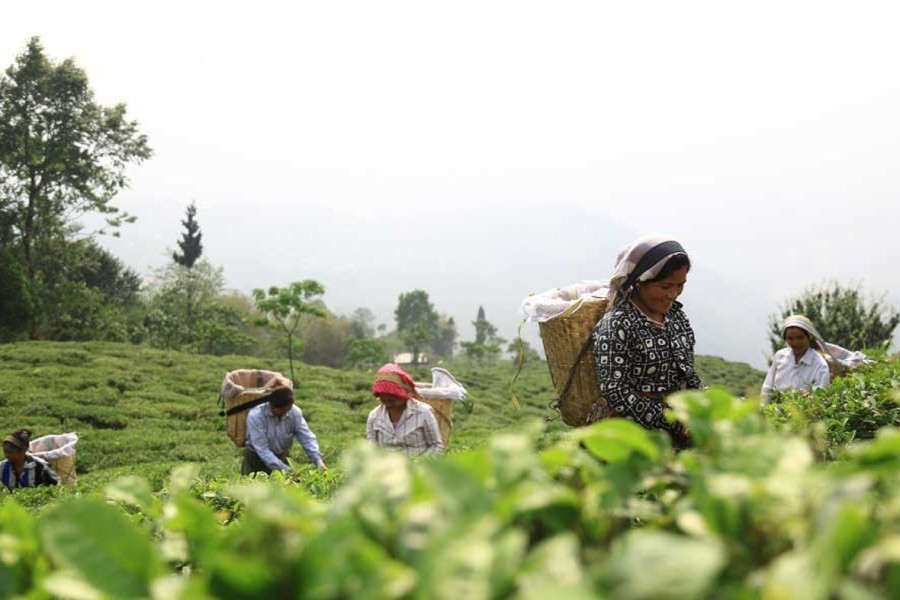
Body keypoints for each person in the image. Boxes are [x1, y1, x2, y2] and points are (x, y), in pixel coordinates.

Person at [589, 235, 703, 448]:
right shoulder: (617, 324)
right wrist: (669, 420)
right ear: (639, 280)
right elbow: (616, 391)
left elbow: (687, 373)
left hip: (679, 425)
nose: (673, 294)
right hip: (632, 433)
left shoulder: (677, 317)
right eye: (665, 286)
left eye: (680, 285)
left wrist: (704, 406)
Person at [242, 387, 327, 475]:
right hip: (256, 459)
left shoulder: (294, 412)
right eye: (282, 410)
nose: (286, 413)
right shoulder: (256, 416)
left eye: (288, 409)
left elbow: (306, 437)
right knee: (252, 485)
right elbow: (262, 449)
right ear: (272, 405)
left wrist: (318, 461)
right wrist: (287, 471)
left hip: (281, 457)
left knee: (282, 487)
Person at [366, 363, 444, 457]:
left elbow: (437, 446)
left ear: (404, 395)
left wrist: (420, 464)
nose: (388, 402)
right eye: (384, 400)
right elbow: (371, 449)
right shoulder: (374, 415)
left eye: (392, 400)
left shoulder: (423, 412)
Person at [761, 314, 831, 404]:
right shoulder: (780, 356)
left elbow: (820, 397)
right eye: (790, 338)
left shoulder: (820, 365)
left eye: (800, 338)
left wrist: (810, 396)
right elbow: (767, 387)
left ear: (809, 337)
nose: (795, 343)